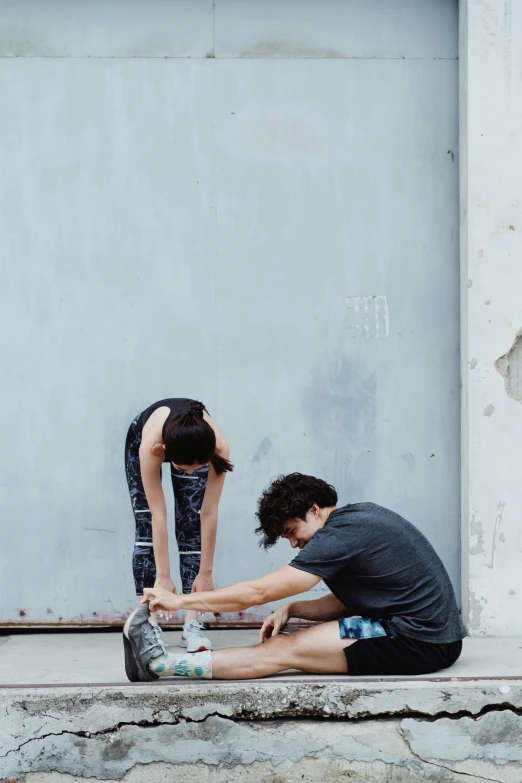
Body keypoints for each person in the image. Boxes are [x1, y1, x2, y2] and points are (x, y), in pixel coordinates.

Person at [123, 472, 465, 681]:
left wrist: (180, 600)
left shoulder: (341, 534)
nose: (293, 544)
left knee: (285, 650)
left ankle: (160, 664)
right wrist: (295, 609)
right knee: (291, 642)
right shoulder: (355, 520)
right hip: (420, 632)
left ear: (314, 509)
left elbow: (258, 592)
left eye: (292, 530)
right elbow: (356, 600)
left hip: (420, 642)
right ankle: (160, 664)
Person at [124, 398, 232, 656]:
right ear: (164, 451)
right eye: (185, 469)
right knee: (145, 527)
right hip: (142, 440)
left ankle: (192, 624)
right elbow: (157, 513)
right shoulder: (152, 445)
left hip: (190, 445)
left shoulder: (218, 447)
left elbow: (208, 512)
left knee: (191, 523)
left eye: (199, 468)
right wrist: (163, 576)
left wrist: (206, 572)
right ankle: (149, 622)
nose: (192, 474)